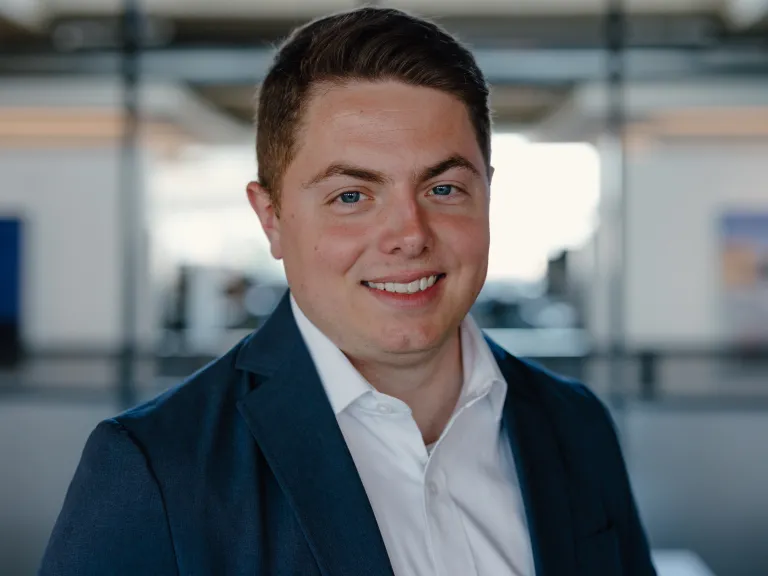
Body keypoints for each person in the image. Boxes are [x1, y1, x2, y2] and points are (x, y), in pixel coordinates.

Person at [39, 7, 656, 576]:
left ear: (488, 193)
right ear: (272, 218)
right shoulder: (155, 468)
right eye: (352, 197)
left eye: (443, 189)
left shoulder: (576, 426)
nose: (408, 236)